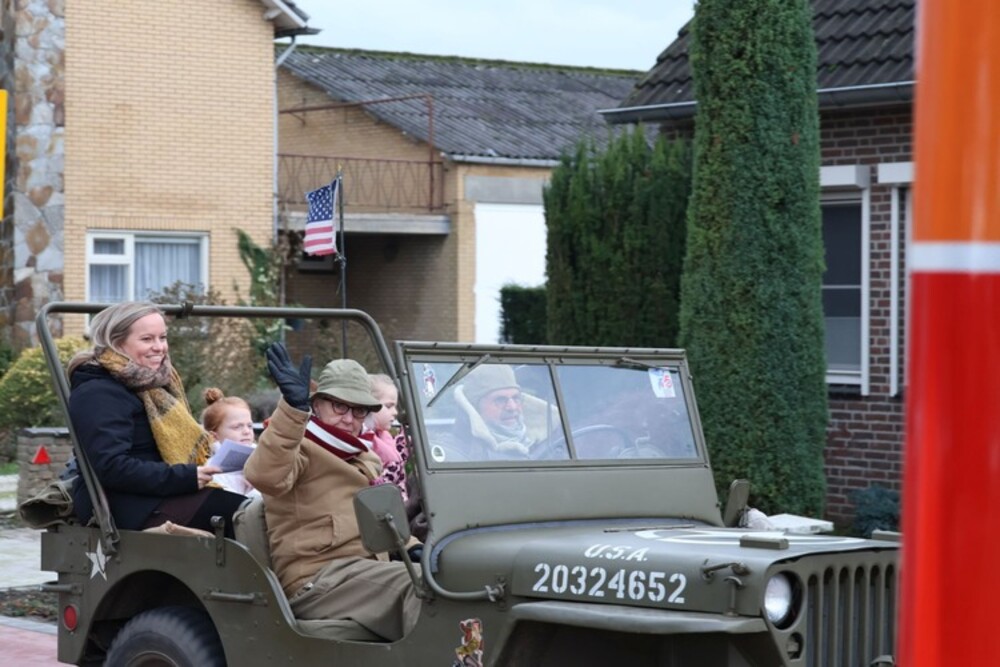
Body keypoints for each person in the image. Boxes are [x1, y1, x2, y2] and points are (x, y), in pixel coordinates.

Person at [244, 343, 419, 642]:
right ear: (318, 405)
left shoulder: (364, 457)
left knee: (448, 579)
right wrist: (292, 410)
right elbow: (264, 476)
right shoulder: (299, 448)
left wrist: (414, 547)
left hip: (364, 573)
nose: (349, 418)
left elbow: (380, 520)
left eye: (359, 410)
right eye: (339, 406)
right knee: (420, 587)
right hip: (317, 579)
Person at [67, 301, 246, 537]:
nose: (159, 347)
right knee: (249, 516)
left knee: (266, 507)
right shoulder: (98, 392)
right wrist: (186, 476)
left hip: (157, 493)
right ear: (116, 343)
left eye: (162, 337)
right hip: (126, 505)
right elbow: (111, 467)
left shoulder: (154, 384)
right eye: (147, 339)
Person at [432, 364, 562, 462]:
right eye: (500, 400)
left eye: (516, 398)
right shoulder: (451, 454)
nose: (512, 407)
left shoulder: (551, 442)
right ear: (475, 409)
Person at [200, 388, 258, 497]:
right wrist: (257, 488)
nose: (247, 431)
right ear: (214, 436)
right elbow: (233, 503)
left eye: (250, 426)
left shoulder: (262, 454)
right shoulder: (213, 470)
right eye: (237, 427)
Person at [366, 373, 409, 501]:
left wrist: (407, 439)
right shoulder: (364, 445)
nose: (395, 412)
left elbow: (397, 458)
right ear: (369, 405)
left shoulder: (382, 436)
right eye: (389, 406)